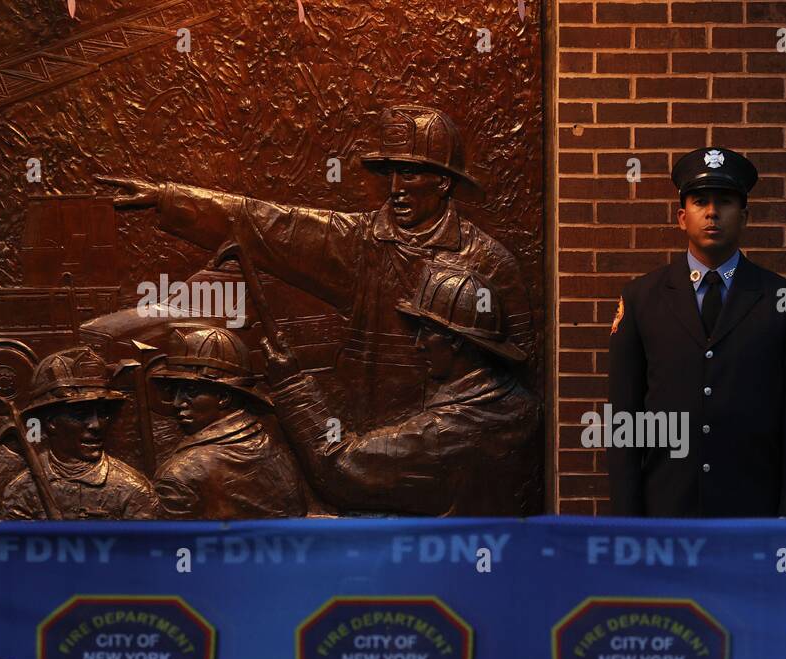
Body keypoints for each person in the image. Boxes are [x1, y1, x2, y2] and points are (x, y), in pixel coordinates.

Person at [96, 105, 535, 429]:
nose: (396, 188)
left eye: (411, 174)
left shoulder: (488, 261)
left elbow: (521, 363)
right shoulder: (362, 241)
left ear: (443, 182)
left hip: (454, 437)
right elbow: (266, 221)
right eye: (391, 174)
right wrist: (168, 197)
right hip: (368, 424)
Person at [606, 147, 786, 517]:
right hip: (666, 513)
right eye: (700, 201)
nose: (711, 212)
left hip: (755, 514)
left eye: (724, 202)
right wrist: (629, 522)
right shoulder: (642, 300)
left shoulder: (783, 301)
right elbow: (625, 423)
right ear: (681, 217)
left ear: (744, 217)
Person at [261, 264, 541, 516]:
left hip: (449, 567)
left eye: (426, 332)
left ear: (456, 342)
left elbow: (339, 465)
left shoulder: (445, 430)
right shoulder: (524, 407)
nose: (418, 344)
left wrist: (291, 384)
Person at [149, 325, 307, 519]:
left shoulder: (180, 475)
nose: (177, 403)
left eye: (190, 391)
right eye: (174, 391)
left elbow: (170, 545)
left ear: (224, 397)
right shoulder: (271, 445)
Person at [2, 347, 158, 519]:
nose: (96, 425)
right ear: (50, 422)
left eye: (102, 413)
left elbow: (145, 545)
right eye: (81, 414)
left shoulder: (133, 491)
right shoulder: (22, 491)